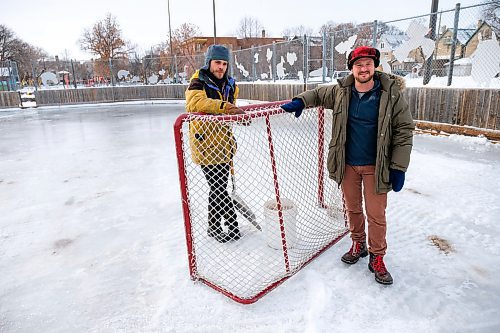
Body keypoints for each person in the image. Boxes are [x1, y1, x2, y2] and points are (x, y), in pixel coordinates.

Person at [281, 46, 414, 285]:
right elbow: (318, 93)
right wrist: (300, 101)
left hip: (377, 165)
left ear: (375, 67)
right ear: (352, 68)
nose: (364, 69)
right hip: (348, 164)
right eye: (359, 65)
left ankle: (377, 256)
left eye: (368, 64)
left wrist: (398, 167)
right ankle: (358, 243)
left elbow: (404, 131)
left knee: (376, 214)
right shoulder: (342, 92)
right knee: (352, 209)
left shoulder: (391, 94)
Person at [185, 44, 246, 243]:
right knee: (218, 187)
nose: (221, 67)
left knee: (219, 187)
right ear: (209, 63)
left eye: (224, 63)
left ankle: (215, 225)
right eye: (217, 63)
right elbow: (195, 103)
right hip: (205, 145)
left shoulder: (231, 84)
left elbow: (231, 108)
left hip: (224, 144)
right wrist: (224, 107)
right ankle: (231, 223)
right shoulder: (198, 81)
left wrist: (237, 116)